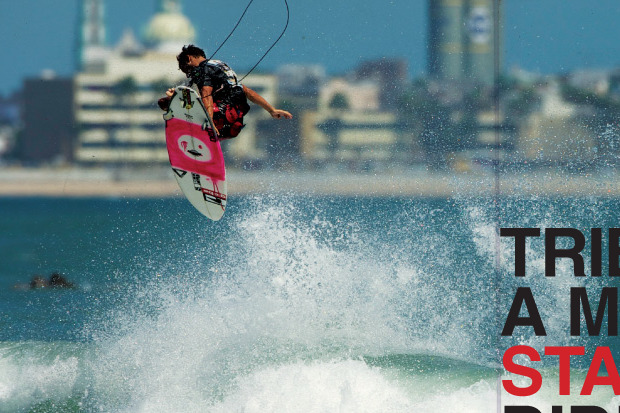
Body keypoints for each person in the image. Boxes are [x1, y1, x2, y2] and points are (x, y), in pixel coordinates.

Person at [159, 44, 292, 139]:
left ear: (189, 59)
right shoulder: (221, 66)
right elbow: (247, 91)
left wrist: (209, 121)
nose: (188, 74)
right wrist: (271, 110)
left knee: (168, 102)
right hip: (235, 123)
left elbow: (206, 94)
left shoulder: (203, 69)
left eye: (186, 69)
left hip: (221, 115)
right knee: (181, 101)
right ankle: (209, 142)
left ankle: (178, 108)